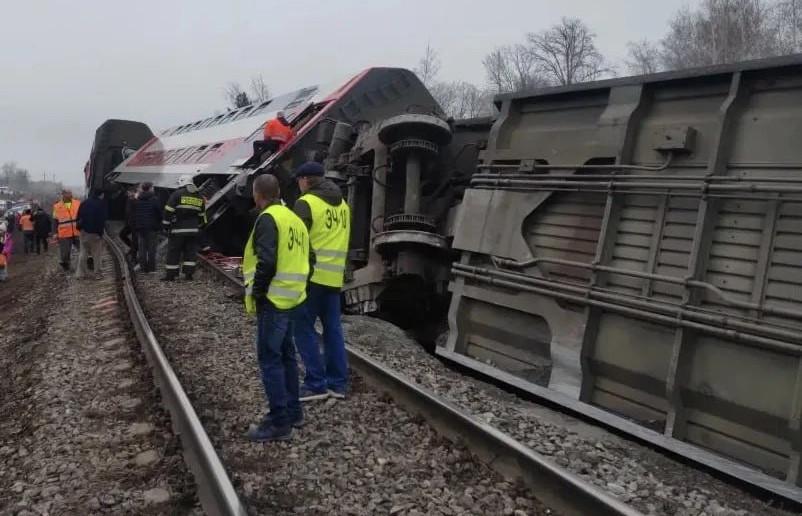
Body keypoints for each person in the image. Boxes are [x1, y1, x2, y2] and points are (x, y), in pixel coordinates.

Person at [243, 174, 312, 442]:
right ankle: (294, 412)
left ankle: (278, 422)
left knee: (270, 360)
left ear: (257, 194)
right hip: (293, 298)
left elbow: (267, 261)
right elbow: (310, 258)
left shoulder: (268, 218)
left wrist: (258, 292)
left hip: (273, 300)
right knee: (287, 356)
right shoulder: (294, 219)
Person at [292, 161, 351, 401]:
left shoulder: (305, 203)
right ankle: (338, 383)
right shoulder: (344, 205)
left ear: (305, 180)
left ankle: (315, 383)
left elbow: (297, 242)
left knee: (302, 328)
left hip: (311, 277)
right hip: (334, 278)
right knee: (333, 330)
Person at [162, 175, 206, 281]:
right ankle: (189, 275)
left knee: (174, 252)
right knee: (190, 252)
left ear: (182, 182)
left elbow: (168, 210)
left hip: (178, 230)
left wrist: (166, 225)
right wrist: (197, 227)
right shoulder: (199, 196)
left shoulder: (177, 194)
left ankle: (171, 275)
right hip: (193, 231)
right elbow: (202, 216)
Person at [75, 191, 108, 280]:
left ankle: (80, 274)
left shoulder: (84, 203)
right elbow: (102, 220)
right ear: (101, 194)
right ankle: (97, 274)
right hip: (95, 233)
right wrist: (100, 233)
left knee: (83, 253)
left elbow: (78, 217)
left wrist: (80, 229)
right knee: (96, 254)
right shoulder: (101, 204)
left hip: (83, 232)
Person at [133, 182, 162, 273]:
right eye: (152, 187)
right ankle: (151, 269)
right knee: (151, 249)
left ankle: (143, 268)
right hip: (152, 228)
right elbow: (159, 213)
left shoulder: (138, 200)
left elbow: (134, 213)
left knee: (142, 249)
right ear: (149, 188)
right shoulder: (154, 199)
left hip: (140, 227)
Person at [52, 190, 81, 271]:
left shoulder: (77, 203)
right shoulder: (57, 206)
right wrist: (55, 232)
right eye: (67, 193)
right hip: (64, 233)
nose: (69, 195)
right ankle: (65, 264)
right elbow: (55, 221)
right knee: (65, 253)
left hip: (77, 231)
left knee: (83, 249)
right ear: (63, 194)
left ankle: (88, 262)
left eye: (70, 193)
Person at [119, 186, 139, 264]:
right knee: (122, 235)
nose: (127, 194)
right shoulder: (129, 200)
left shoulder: (136, 200)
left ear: (134, 192)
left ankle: (134, 258)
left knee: (135, 240)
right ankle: (133, 249)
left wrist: (135, 198)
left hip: (135, 224)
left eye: (129, 192)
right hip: (129, 223)